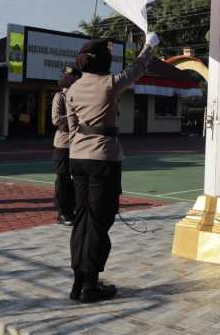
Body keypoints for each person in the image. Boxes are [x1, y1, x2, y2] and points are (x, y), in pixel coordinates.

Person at [65, 34, 158, 303]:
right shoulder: (108, 84)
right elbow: (137, 69)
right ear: (104, 61)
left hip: (78, 158)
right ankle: (90, 286)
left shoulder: (73, 89)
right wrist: (149, 46)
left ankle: (78, 281)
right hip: (102, 159)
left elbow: (72, 129)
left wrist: (79, 149)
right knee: (99, 220)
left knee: (82, 218)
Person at [51, 66, 81, 226]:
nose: (72, 79)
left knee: (76, 179)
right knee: (62, 179)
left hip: (78, 143)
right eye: (69, 76)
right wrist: (74, 117)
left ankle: (74, 209)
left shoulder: (80, 96)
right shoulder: (60, 97)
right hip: (63, 144)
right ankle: (63, 212)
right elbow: (56, 119)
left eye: (74, 76)